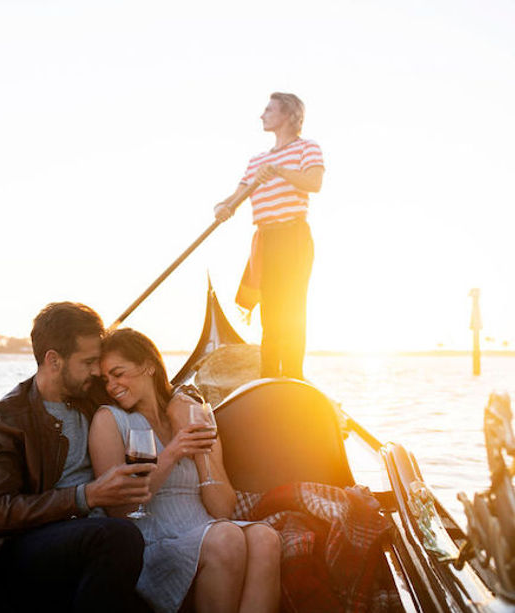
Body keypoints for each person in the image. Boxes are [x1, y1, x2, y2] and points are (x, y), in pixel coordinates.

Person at [0, 302, 155, 612]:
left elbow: (146, 387)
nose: (98, 371)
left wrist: (181, 397)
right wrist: (87, 495)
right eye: (88, 362)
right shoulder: (3, 419)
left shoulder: (93, 393)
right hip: (34, 545)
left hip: (99, 534)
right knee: (120, 537)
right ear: (53, 360)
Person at [89, 328, 280, 613]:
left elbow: (223, 510)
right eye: (105, 379)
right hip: (153, 541)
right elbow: (120, 508)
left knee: (266, 538)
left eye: (118, 373)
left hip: (208, 530)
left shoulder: (188, 413)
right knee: (227, 537)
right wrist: (174, 450)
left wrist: (199, 450)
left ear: (148, 366)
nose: (112, 386)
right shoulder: (109, 420)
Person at [214, 92, 325, 379]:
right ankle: (269, 377)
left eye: (269, 109)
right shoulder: (256, 162)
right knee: (270, 314)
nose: (262, 115)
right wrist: (222, 207)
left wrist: (278, 171)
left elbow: (314, 182)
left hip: (293, 237)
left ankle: (293, 376)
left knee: (291, 309)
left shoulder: (306, 149)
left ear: (288, 115)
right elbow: (236, 197)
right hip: (266, 240)